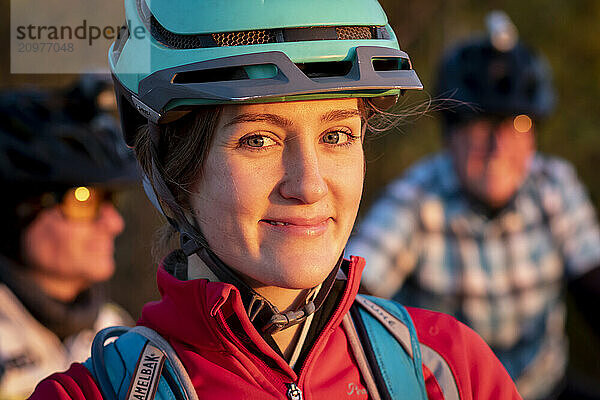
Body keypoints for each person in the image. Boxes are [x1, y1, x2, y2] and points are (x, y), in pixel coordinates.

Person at [30, 2, 521, 399]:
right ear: (173, 171)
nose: (308, 185)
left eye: (337, 135)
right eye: (257, 140)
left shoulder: (451, 371)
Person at [346, 11, 600, 400]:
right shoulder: (417, 199)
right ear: (450, 134)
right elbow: (350, 291)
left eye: (517, 125)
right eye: (481, 125)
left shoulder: (554, 185)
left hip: (545, 386)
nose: (499, 148)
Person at [0, 77, 137, 399]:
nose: (114, 223)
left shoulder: (116, 331)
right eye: (82, 199)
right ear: (16, 209)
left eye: (112, 199)